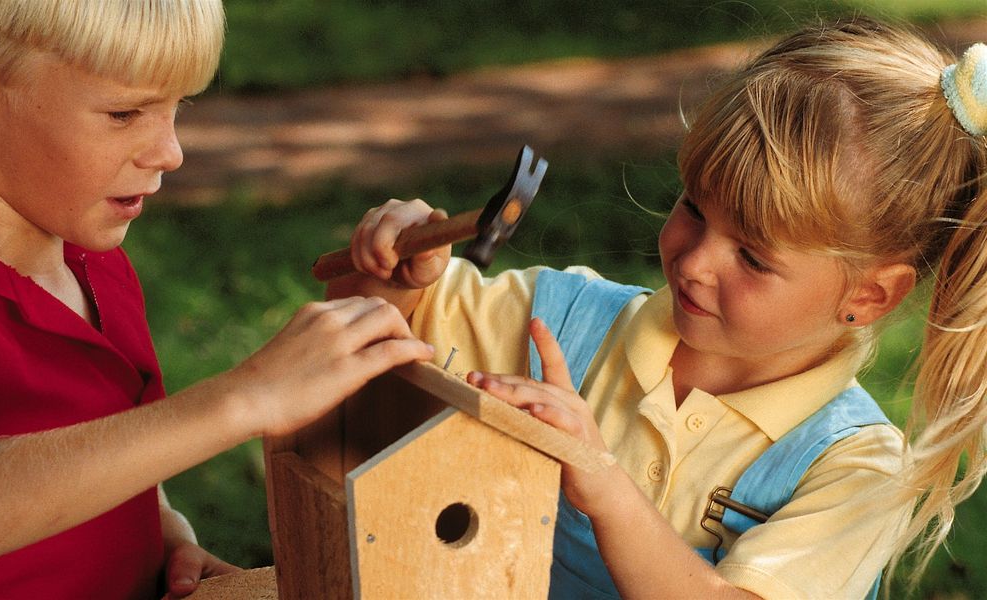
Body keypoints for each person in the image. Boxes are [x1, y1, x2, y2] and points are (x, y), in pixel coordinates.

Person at [331, 17, 987, 599]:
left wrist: (605, 484)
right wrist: (390, 274)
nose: (695, 262)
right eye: (694, 209)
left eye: (753, 257)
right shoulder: (557, 320)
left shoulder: (854, 468)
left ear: (869, 295)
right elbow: (351, 346)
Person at [0, 1, 433, 598]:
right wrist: (246, 397)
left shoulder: (98, 268)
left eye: (175, 110)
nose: (170, 151)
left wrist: (164, 534)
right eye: (124, 114)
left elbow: (111, 448)